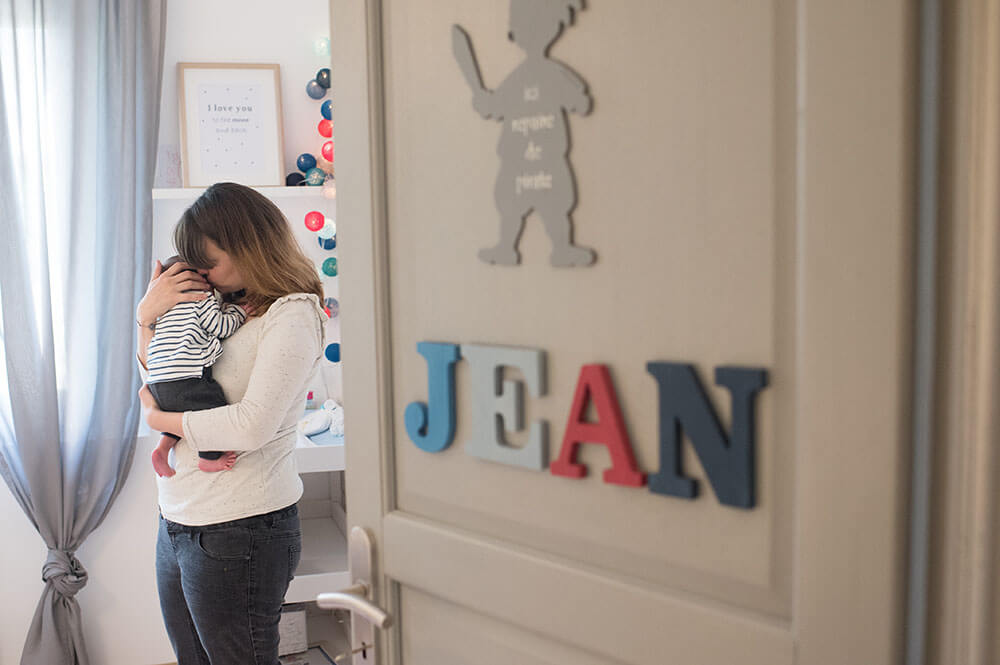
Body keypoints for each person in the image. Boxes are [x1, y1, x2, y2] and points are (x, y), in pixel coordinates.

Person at [135, 182, 326, 665]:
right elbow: (166, 371)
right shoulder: (218, 306)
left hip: (241, 526)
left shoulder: (292, 313)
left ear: (250, 247)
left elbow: (251, 426)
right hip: (179, 514)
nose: (201, 277)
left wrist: (160, 419)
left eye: (210, 264)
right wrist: (147, 318)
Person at [146, 254, 248, 477]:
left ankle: (162, 449)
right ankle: (207, 458)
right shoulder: (201, 300)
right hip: (186, 378)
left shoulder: (162, 311)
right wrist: (238, 312)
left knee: (179, 414)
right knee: (212, 410)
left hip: (158, 383)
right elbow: (221, 327)